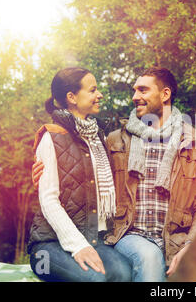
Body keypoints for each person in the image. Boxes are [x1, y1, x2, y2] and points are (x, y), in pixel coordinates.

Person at [33, 67, 196, 281]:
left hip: (175, 239)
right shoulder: (115, 140)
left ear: (165, 94)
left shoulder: (195, 144)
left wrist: (191, 245)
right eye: (134, 90)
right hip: (129, 235)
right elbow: (80, 175)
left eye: (142, 90)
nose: (135, 97)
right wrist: (43, 172)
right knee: (149, 257)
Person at [28, 67, 132, 282]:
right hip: (48, 246)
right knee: (94, 279)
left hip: (93, 238)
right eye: (93, 90)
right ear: (72, 97)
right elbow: (48, 201)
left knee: (123, 274)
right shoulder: (52, 137)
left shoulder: (98, 137)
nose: (99, 95)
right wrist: (79, 246)